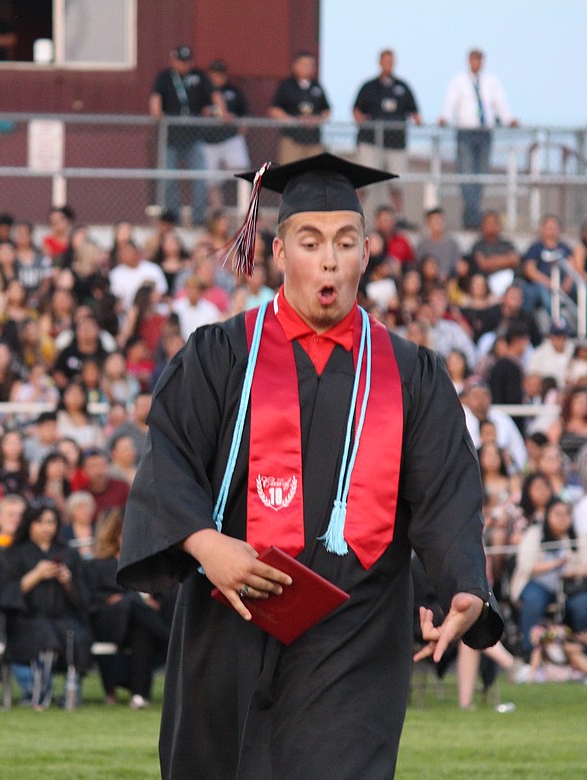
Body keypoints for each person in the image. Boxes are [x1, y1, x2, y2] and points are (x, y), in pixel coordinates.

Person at [117, 154, 502, 778]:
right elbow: (169, 463)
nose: (329, 259)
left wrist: (463, 583)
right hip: (233, 618)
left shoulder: (412, 375)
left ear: (367, 254)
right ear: (278, 251)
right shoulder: (220, 358)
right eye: (311, 241)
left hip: (356, 630)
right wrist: (205, 545)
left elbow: (449, 497)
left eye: (345, 243)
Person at [0, 502, 92, 709]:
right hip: (26, 620)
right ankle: (40, 693)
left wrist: (67, 580)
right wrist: (36, 575)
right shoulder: (14, 553)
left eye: (51, 522)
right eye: (40, 522)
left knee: (76, 635)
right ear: (30, 525)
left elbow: (83, 599)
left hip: (61, 617)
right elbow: (5, 595)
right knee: (45, 634)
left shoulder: (68, 553)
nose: (46, 527)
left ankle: (70, 692)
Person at [85, 509, 171, 709]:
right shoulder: (97, 565)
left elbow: (161, 593)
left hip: (141, 621)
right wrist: (117, 599)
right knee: (132, 602)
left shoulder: (144, 564)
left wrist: (152, 602)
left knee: (141, 631)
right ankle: (171, 641)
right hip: (109, 622)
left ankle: (139, 696)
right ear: (113, 535)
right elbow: (91, 599)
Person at [439, 48, 517, 229]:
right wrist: (445, 117)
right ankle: (473, 216)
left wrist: (508, 119)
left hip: (484, 133)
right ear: (469, 61)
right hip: (466, 132)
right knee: (466, 174)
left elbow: (500, 103)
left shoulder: (491, 82)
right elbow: (450, 102)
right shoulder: (458, 82)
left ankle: (471, 215)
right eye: (474, 59)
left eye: (479, 59)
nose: (477, 63)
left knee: (481, 174)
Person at [509, 500, 587, 655]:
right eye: (557, 514)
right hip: (538, 583)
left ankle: (585, 652)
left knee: (584, 604)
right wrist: (557, 564)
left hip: (571, 586)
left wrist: (573, 572)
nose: (562, 518)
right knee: (533, 600)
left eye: (566, 514)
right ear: (548, 515)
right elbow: (526, 565)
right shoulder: (535, 533)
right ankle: (529, 652)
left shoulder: (578, 535)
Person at [149, 45, 219, 226]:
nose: (184, 65)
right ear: (173, 61)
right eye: (180, 61)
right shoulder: (164, 77)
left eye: (187, 61)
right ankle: (173, 218)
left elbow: (214, 96)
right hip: (171, 137)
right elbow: (156, 100)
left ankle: (198, 218)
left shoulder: (199, 76)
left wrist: (219, 111)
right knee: (169, 179)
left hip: (194, 137)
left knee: (199, 178)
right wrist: (157, 114)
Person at [352, 48, 421, 213]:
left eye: (391, 61)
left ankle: (398, 218)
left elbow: (415, 113)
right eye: (385, 61)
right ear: (379, 62)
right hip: (371, 142)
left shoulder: (403, 87)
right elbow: (356, 111)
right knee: (364, 182)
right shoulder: (369, 86)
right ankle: (357, 214)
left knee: (397, 184)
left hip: (396, 144)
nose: (388, 64)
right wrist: (363, 122)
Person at [203, 59, 251, 211]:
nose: (218, 78)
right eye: (214, 74)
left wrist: (240, 124)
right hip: (208, 141)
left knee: (242, 172)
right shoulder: (203, 91)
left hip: (231, 138)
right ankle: (218, 212)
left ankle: (245, 211)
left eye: (220, 74)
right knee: (211, 180)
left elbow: (245, 113)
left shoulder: (234, 91)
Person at [269, 51, 331, 164]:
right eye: (305, 65)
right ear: (295, 66)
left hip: (314, 141)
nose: (309, 68)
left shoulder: (317, 86)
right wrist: (295, 121)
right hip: (292, 140)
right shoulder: (286, 86)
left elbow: (326, 110)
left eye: (312, 65)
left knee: (314, 172)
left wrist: (317, 120)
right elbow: (275, 110)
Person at [519, 215, 574, 315]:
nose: (552, 230)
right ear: (542, 229)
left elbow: (572, 268)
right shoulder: (535, 248)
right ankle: (556, 318)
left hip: (563, 285)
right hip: (541, 285)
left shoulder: (565, 248)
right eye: (549, 228)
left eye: (555, 228)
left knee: (585, 290)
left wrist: (566, 284)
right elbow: (530, 271)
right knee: (542, 290)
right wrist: (550, 284)